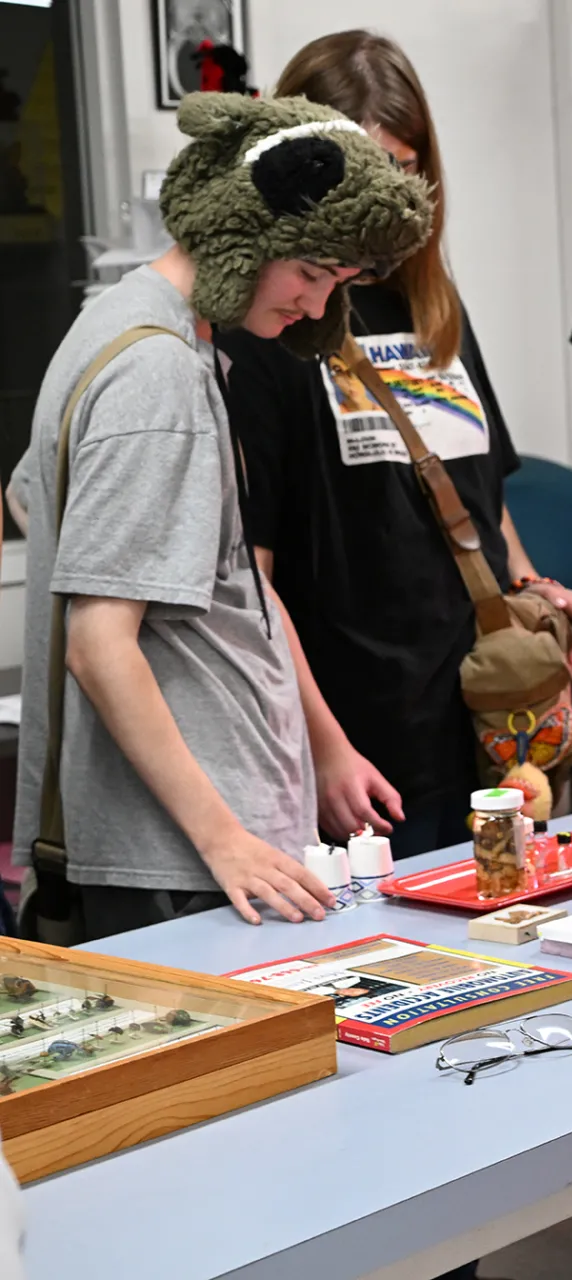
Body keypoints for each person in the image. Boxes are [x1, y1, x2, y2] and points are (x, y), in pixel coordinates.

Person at [9, 93, 433, 942]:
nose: (315, 306)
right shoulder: (156, 372)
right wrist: (224, 839)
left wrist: (323, 746)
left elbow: (221, 575)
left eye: (336, 283)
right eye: (309, 272)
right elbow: (99, 644)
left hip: (211, 841)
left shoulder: (141, 329)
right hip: (177, 860)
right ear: (244, 229)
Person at [216, 31, 572, 859]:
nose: (382, 201)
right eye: (359, 168)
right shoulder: (270, 323)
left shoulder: (432, 303)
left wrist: (534, 591)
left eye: (402, 167)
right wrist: (322, 747)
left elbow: (482, 497)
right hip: (363, 749)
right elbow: (252, 581)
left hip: (491, 726)